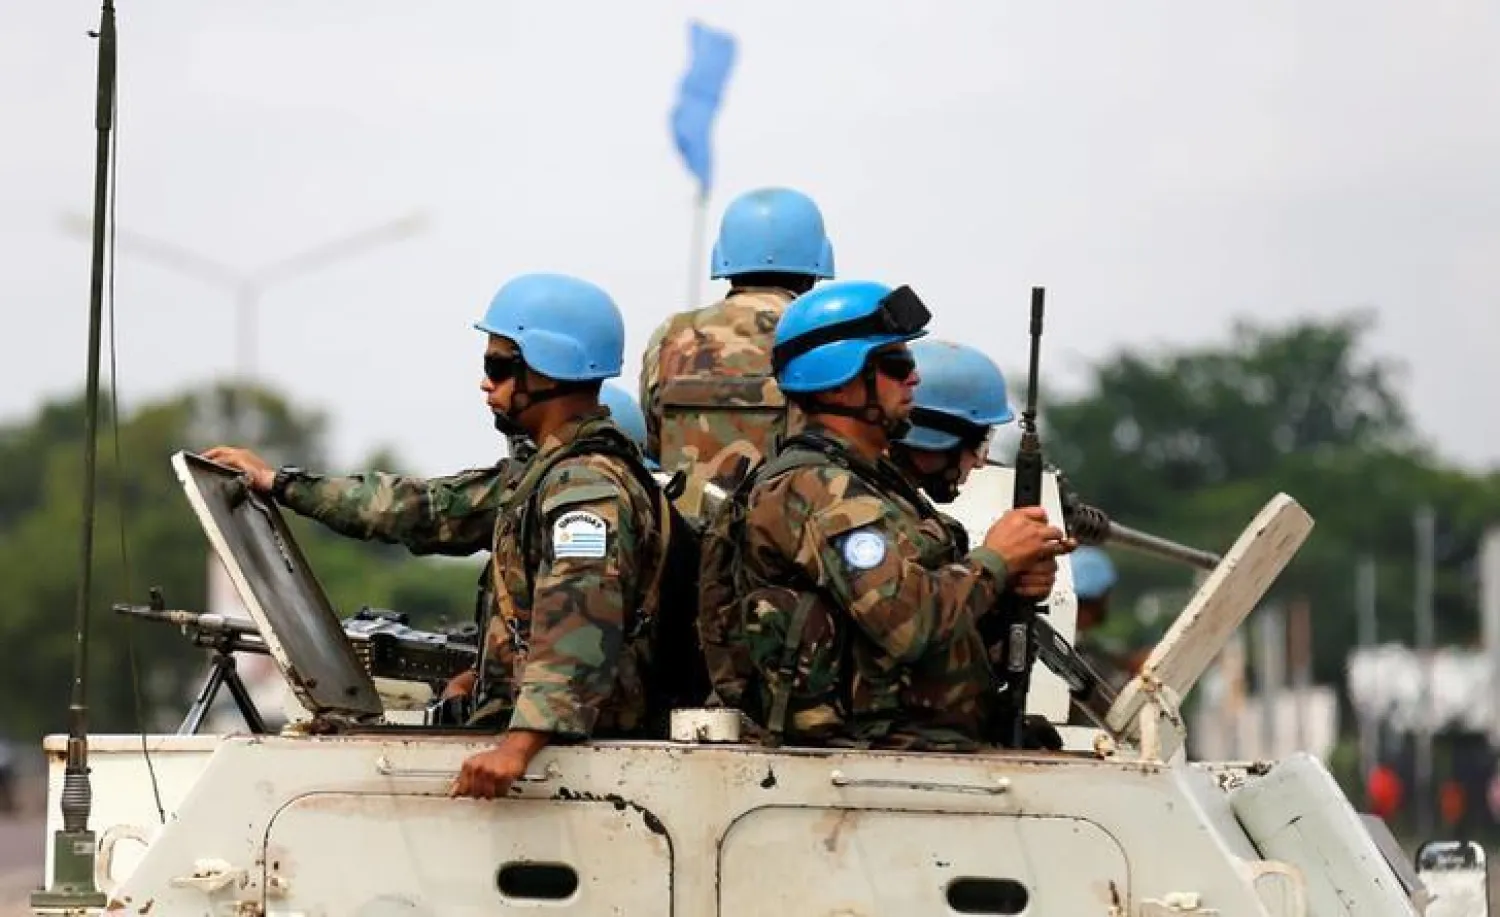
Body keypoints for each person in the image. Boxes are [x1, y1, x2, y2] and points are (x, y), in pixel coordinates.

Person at [211, 272, 665, 799]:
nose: (484, 383)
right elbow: (423, 509)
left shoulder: (584, 488)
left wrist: (516, 748)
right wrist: (284, 485)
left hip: (572, 769)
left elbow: (580, 624)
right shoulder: (540, 476)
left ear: (550, 369)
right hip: (550, 754)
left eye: (499, 367)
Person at [723, 279, 1073, 749]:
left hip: (915, 753)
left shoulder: (872, 486)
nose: (914, 378)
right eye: (895, 364)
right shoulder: (816, 490)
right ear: (842, 381)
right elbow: (909, 624)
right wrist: (996, 560)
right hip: (863, 763)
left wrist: (1008, 589)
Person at [638, 186, 835, 519]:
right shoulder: (819, 339)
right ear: (815, 266)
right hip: (785, 543)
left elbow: (652, 437)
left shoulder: (672, 335)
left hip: (688, 545)